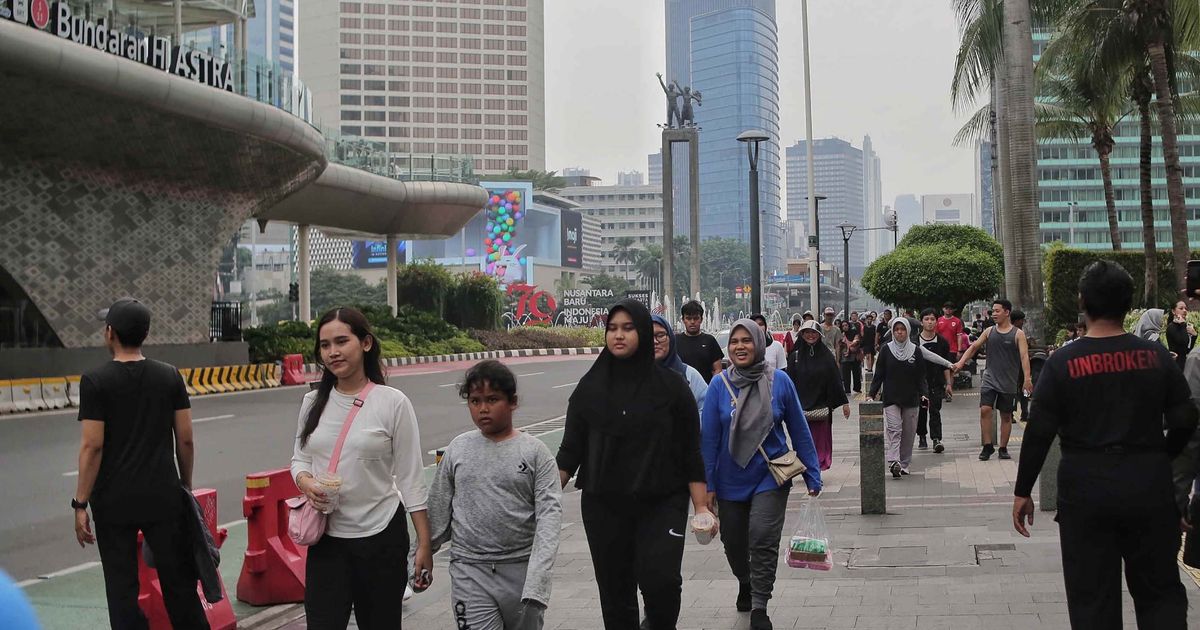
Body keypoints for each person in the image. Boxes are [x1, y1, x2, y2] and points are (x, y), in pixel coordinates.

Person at [1013, 260, 1198, 629]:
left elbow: (1038, 432)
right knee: (1159, 593)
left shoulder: (1063, 362)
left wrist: (1023, 491)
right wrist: (1161, 459)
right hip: (1148, 484)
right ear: (1128, 302)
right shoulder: (1157, 357)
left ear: (1082, 301)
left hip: (1085, 487)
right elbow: (1185, 420)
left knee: (1091, 597)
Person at [556, 299, 712, 630]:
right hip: (603, 504)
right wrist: (542, 496)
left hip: (662, 502)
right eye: (612, 329)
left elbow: (690, 452)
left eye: (628, 328)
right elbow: (570, 452)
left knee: (662, 583)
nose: (619, 335)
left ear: (641, 331)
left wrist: (701, 506)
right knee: (615, 594)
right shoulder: (590, 389)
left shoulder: (673, 388)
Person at [71, 298, 209, 630]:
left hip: (113, 501)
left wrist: (80, 503)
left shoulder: (95, 381)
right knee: (179, 584)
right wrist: (185, 485)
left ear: (109, 333)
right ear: (145, 334)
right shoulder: (169, 376)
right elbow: (186, 439)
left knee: (122, 589)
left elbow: (92, 446)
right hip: (163, 495)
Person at [291, 307, 432, 630]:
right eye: (325, 345)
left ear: (365, 343)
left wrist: (423, 543)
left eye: (342, 341)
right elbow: (299, 459)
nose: (333, 352)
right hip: (327, 539)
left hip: (381, 536)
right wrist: (306, 481)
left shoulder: (392, 402)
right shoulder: (312, 403)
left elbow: (411, 478)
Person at [703, 319, 822, 630]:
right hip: (730, 480)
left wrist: (812, 474)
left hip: (770, 476)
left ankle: (759, 605)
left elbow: (798, 427)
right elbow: (709, 440)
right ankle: (745, 580)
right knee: (734, 543)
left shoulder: (779, 381)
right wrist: (708, 486)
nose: (740, 346)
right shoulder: (719, 384)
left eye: (747, 340)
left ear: (759, 343)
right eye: (734, 341)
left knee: (762, 537)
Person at [427, 361, 562, 630]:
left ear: (512, 402)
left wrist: (538, 580)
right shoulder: (458, 449)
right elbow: (438, 506)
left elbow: (549, 518)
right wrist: (422, 553)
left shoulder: (535, 453)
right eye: (475, 401)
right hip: (470, 570)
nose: (483, 409)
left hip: (522, 573)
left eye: (492, 400)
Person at [954, 299, 1032, 461]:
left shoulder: (1018, 334)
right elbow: (974, 347)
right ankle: (987, 446)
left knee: (1006, 415)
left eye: (997, 311)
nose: (994, 314)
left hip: (1008, 381)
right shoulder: (989, 331)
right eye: (993, 311)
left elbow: (1024, 357)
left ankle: (1003, 448)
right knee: (985, 410)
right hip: (990, 378)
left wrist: (1027, 379)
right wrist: (961, 362)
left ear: (1007, 312)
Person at [867, 318, 929, 478]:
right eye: (896, 329)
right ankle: (894, 461)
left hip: (911, 398)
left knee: (908, 433)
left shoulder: (915, 350)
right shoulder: (886, 350)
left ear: (908, 331)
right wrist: (871, 394)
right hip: (891, 398)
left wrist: (924, 394)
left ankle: (905, 463)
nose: (899, 332)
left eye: (902, 329)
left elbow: (921, 375)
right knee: (894, 430)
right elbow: (878, 374)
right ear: (893, 332)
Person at [787, 320, 850, 470]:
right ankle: (807, 465)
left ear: (819, 335)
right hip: (800, 407)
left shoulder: (826, 355)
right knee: (803, 440)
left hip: (822, 405)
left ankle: (818, 465)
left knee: (821, 440)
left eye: (814, 332)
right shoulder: (794, 356)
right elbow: (789, 383)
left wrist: (844, 403)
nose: (810, 335)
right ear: (802, 335)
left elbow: (835, 378)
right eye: (807, 332)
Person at [916, 308, 953, 453]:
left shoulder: (942, 342)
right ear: (921, 321)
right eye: (926, 319)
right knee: (922, 410)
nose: (930, 322)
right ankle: (922, 436)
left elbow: (945, 364)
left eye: (932, 319)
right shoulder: (915, 341)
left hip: (936, 382)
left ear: (936, 321)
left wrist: (948, 384)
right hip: (920, 384)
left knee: (935, 410)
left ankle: (936, 439)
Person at [653, 314, 708, 410]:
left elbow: (706, 412)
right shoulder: (634, 376)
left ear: (670, 338)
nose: (655, 341)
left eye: (660, 335)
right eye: (648, 336)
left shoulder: (690, 375)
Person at [675, 300, 724, 384]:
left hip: (705, 391)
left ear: (701, 319)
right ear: (683, 320)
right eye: (688, 318)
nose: (692, 322)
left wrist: (711, 388)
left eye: (696, 318)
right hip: (681, 391)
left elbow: (718, 369)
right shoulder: (675, 341)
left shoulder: (710, 340)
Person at [1165, 300, 1196, 370]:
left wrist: (1194, 335)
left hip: (1185, 363)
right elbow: (1183, 343)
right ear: (1173, 311)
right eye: (1181, 308)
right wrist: (1182, 325)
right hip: (1176, 365)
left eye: (1186, 308)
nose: (1184, 310)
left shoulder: (1185, 325)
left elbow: (1188, 349)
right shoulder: (1171, 327)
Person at [1011, 310, 1031, 422]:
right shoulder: (1012, 332)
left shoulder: (1020, 331)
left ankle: (1024, 412)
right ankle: (1011, 413)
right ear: (1017, 321)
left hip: (1022, 366)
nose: (1023, 322)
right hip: (1013, 366)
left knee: (1025, 389)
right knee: (1013, 390)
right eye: (1021, 320)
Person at [838, 314, 863, 394]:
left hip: (854, 356)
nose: (845, 327)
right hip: (845, 356)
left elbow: (857, 340)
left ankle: (857, 388)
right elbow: (838, 346)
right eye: (843, 326)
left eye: (846, 325)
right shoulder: (840, 335)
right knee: (846, 375)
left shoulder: (854, 332)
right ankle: (847, 389)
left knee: (856, 373)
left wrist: (852, 344)